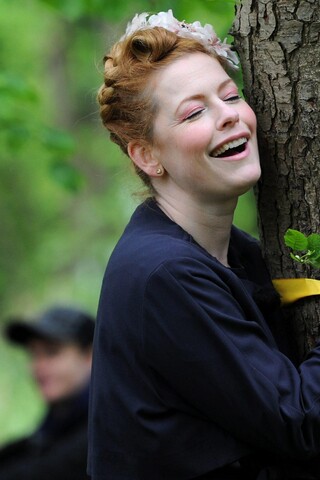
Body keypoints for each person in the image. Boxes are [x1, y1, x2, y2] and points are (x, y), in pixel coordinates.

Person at [88, 9, 320, 480]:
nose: (229, 115)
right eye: (195, 112)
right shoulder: (164, 275)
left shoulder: (242, 254)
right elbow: (303, 423)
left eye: (231, 96)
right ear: (147, 154)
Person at [0, 305, 95, 480]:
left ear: (90, 355)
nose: (39, 366)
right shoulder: (54, 425)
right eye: (34, 354)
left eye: (52, 353)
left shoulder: (102, 433)